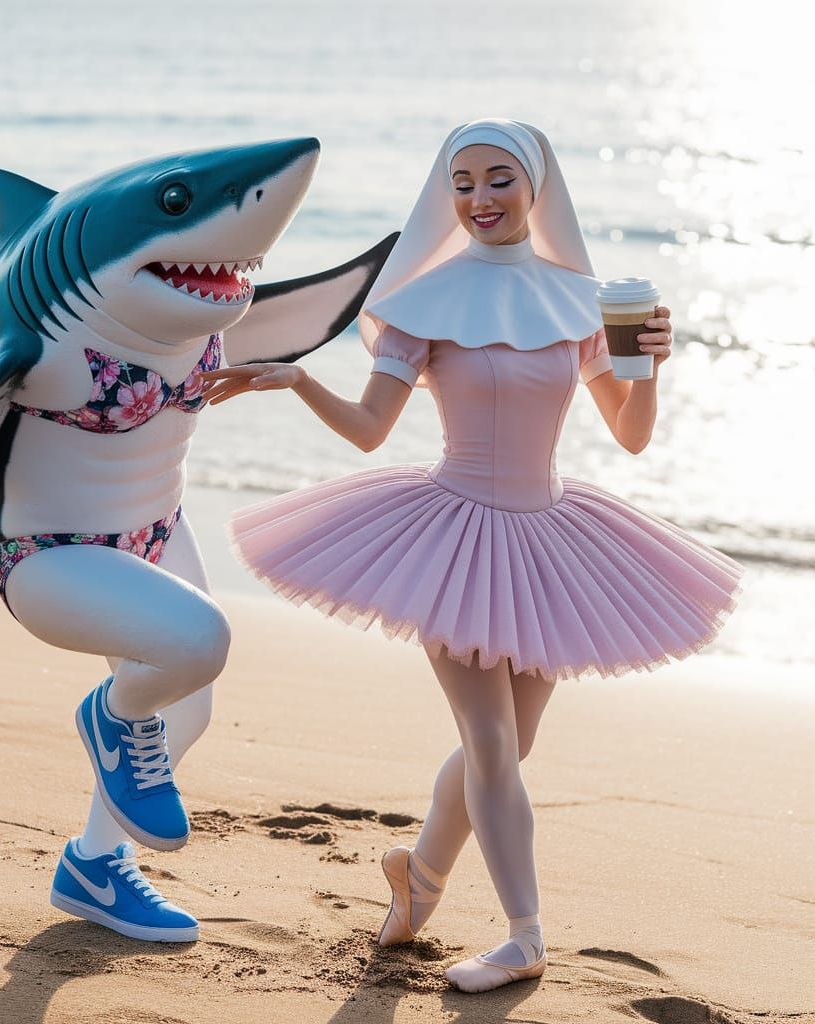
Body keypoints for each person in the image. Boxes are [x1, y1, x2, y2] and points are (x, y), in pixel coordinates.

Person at [199, 118, 744, 993]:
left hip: (551, 538)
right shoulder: (427, 299)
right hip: (454, 538)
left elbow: (633, 437)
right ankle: (525, 936)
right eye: (463, 183)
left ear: (537, 187)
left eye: (498, 179)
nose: (480, 198)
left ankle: (417, 878)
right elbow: (372, 432)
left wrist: (650, 361)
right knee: (491, 742)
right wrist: (299, 379)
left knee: (511, 743)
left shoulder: (586, 300)